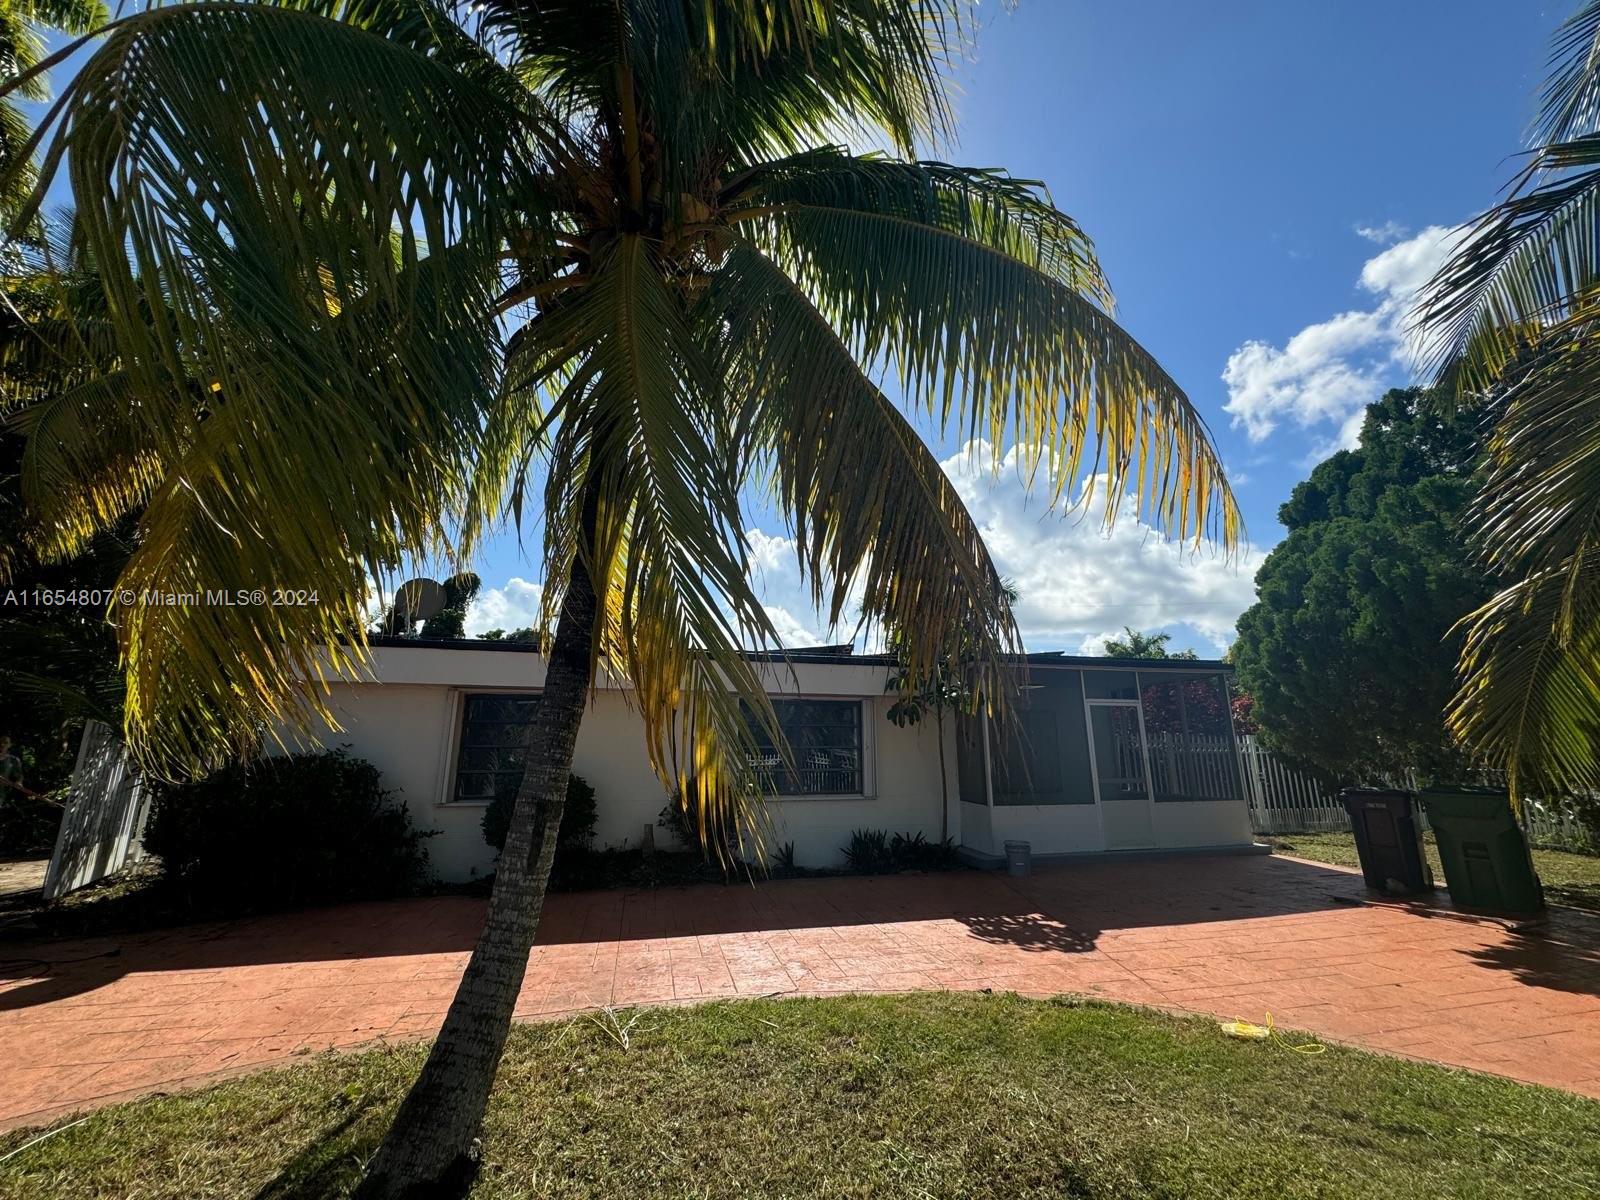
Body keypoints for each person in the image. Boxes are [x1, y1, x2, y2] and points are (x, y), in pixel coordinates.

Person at [0, 736, 37, 802]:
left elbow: (19, 777)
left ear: (9, 745)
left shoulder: (13, 760)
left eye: (5, 742)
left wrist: (18, 783)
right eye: (0, 742)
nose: (2, 744)